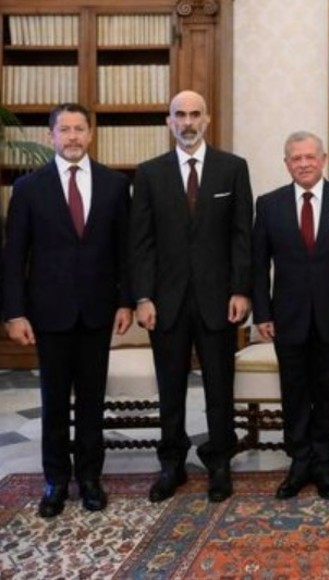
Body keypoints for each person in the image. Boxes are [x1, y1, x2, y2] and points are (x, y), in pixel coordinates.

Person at [3, 103, 133, 518]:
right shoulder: (29, 188)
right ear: (51, 137)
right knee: (54, 402)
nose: (73, 137)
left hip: (98, 311)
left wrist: (126, 301)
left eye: (80, 129)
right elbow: (14, 256)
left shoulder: (115, 185)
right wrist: (15, 313)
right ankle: (56, 480)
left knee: (92, 402)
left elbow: (125, 252)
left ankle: (91, 478)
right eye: (65, 130)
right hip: (49, 313)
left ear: (91, 135)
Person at [129, 90, 253, 504]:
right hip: (166, 302)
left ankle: (219, 462)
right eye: (179, 115)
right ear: (169, 122)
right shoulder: (149, 173)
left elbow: (242, 236)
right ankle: (172, 463)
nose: (187, 122)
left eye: (194, 114)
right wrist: (143, 297)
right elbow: (141, 242)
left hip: (219, 300)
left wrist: (241, 290)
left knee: (220, 386)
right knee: (170, 388)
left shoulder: (232, 169)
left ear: (207, 119)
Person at [252, 132, 329, 500]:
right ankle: (299, 461)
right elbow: (259, 265)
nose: (303, 164)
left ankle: (323, 463)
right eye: (296, 158)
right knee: (294, 392)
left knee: (328, 391)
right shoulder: (269, 204)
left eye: (309, 157)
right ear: (286, 163)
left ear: (323, 159)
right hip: (286, 317)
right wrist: (262, 312)